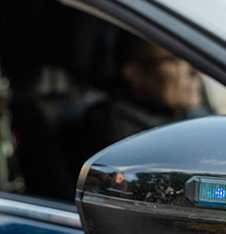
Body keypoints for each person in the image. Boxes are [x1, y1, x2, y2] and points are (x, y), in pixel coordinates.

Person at [77, 32, 203, 162]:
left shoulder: (186, 117)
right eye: (176, 61)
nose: (196, 72)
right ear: (134, 73)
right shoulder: (120, 139)